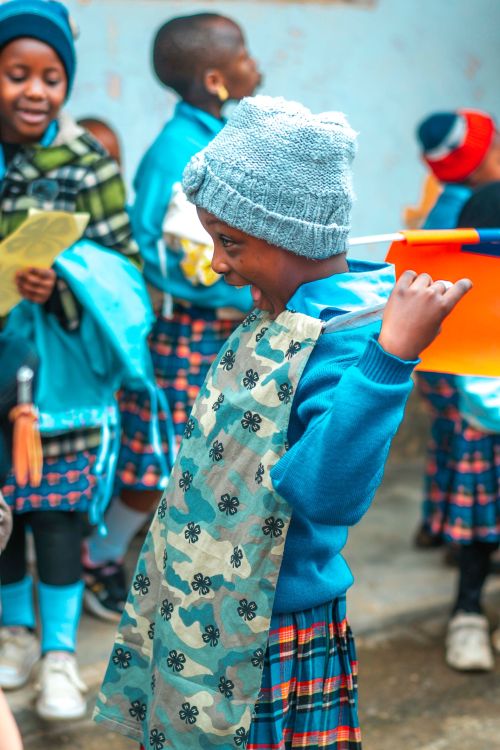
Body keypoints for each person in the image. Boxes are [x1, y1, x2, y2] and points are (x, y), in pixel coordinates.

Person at [93, 96, 471, 749]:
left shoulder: (349, 340)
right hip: (203, 603)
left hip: (265, 633)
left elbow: (326, 493)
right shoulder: (276, 311)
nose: (216, 263)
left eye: (230, 242)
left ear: (293, 236)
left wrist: (392, 359)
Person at [82, 12, 262, 623]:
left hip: (215, 328)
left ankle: (147, 554)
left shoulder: (213, 139)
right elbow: (181, 259)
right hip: (184, 330)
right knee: (157, 456)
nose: (253, 65)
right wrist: (246, 280)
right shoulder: (181, 154)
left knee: (201, 454)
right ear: (215, 79)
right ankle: (99, 556)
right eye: (242, 55)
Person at [0, 0, 142, 721]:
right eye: (16, 73)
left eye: (51, 76)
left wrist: (64, 283)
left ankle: (59, 654)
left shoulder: (87, 164)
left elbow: (126, 273)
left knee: (55, 513)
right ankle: (15, 636)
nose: (35, 90)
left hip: (64, 372)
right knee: (0, 515)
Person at [412, 109, 500, 550]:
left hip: (434, 352)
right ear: (482, 159)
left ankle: (436, 525)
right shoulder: (475, 216)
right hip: (460, 354)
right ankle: (462, 535)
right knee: (467, 446)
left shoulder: (444, 205)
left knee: (447, 438)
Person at [434, 181, 500, 671]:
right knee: (479, 534)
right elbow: (477, 384)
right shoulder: (474, 296)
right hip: (487, 426)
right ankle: (467, 615)